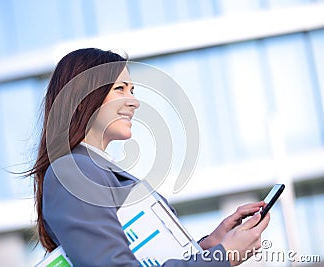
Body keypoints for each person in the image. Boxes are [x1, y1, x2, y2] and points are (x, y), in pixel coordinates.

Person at [27, 48, 270, 266]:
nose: (134, 102)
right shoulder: (72, 171)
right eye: (120, 88)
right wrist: (223, 256)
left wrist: (211, 245)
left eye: (132, 90)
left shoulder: (90, 169)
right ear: (81, 98)